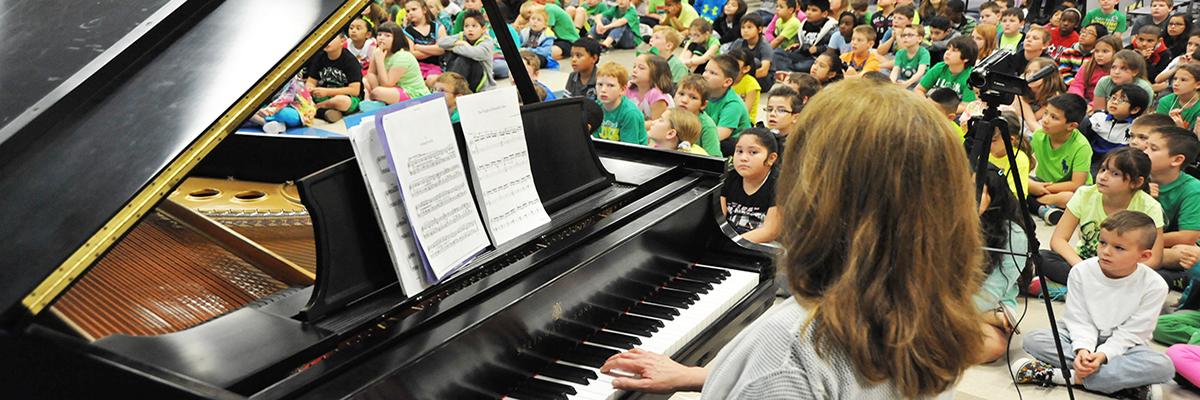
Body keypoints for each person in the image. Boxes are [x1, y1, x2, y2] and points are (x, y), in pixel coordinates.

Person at [598, 78, 986, 399]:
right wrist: (707, 377)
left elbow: (786, 375)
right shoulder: (923, 313)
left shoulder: (790, 349)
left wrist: (749, 378)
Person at [1016, 210, 1174, 398]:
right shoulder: (1081, 272)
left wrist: (1103, 355)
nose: (1106, 251)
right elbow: (1079, 319)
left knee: (1164, 366)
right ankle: (1122, 384)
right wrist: (1084, 350)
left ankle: (1067, 377)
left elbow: (1134, 332)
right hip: (1077, 336)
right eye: (1103, 242)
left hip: (1126, 346)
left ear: (1144, 256)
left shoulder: (1155, 286)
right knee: (1034, 339)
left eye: (1119, 248)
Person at [1037, 147, 1166, 290]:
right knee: (1041, 257)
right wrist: (1082, 267)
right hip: (1085, 262)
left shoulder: (1149, 206)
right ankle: (1093, 287)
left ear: (1136, 182)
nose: (1103, 177)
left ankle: (1073, 289)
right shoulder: (1085, 194)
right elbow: (1058, 240)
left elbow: (1154, 258)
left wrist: (1117, 272)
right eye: (1103, 169)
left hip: (1124, 269)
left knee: (1157, 281)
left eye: (1115, 173)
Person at [974, 162, 1030, 364]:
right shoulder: (947, 220)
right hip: (944, 303)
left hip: (990, 303)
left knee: (993, 345)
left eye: (976, 192)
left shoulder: (1014, 235)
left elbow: (992, 291)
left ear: (994, 197)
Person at [1137, 126, 1200, 279]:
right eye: (1146, 147)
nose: (1144, 152)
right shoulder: (1135, 177)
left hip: (1161, 245)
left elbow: (1188, 236)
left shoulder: (1193, 188)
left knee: (1186, 253)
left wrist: (1140, 241)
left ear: (1177, 160)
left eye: (1153, 149)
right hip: (1134, 242)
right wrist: (1141, 195)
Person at [1027, 93, 1092, 222]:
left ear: (1071, 126)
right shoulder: (1039, 136)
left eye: (1054, 117)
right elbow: (1019, 162)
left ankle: (1035, 202)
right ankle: (1043, 208)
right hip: (1042, 181)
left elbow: (1076, 183)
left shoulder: (1081, 146)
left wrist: (1039, 189)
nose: (1045, 120)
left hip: (1069, 189)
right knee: (1008, 181)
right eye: (1045, 113)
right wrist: (1031, 184)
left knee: (1069, 198)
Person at [718, 128, 781, 243]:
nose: (743, 158)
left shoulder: (779, 184)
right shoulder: (729, 178)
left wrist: (732, 243)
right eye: (739, 151)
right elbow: (719, 218)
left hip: (764, 248)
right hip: (730, 242)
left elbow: (770, 231)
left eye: (753, 152)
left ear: (771, 158)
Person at [1083, 84, 1150, 173]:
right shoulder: (1098, 117)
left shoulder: (1135, 128)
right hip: (1089, 156)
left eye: (1122, 100)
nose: (1114, 102)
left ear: (1135, 109)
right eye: (1113, 98)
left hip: (1115, 164)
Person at [367, 22, 431, 105]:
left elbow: (387, 84)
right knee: (365, 83)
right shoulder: (378, 52)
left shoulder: (403, 56)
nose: (381, 38)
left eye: (387, 35)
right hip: (391, 89)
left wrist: (379, 61)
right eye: (379, 35)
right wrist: (376, 88)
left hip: (412, 93)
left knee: (378, 92)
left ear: (397, 39)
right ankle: (375, 102)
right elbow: (371, 73)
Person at [307, 33, 364, 123]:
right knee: (300, 96)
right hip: (322, 95)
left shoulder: (350, 60)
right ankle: (328, 112)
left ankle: (318, 109)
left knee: (341, 101)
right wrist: (310, 89)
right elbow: (311, 81)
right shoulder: (319, 57)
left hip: (345, 97)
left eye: (331, 38)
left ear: (342, 41)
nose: (327, 42)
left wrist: (327, 92)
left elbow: (355, 90)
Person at [704, 54, 753, 156]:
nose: (705, 75)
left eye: (712, 73)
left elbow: (720, 134)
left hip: (732, 143)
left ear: (727, 82)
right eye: (705, 70)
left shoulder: (733, 104)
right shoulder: (703, 93)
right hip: (708, 133)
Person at [437, 10, 496, 92]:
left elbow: (473, 53)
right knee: (452, 55)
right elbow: (441, 42)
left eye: (474, 26)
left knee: (465, 58)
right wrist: (456, 42)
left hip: (481, 82)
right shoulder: (463, 36)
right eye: (466, 26)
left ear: (483, 29)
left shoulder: (487, 42)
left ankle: (450, 88)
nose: (470, 29)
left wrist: (454, 47)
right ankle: (451, 87)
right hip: (464, 77)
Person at [772, 0, 835, 73]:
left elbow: (834, 50)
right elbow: (802, 43)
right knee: (777, 53)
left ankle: (789, 74)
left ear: (824, 14)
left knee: (799, 66)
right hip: (802, 55)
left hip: (816, 59)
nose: (809, 12)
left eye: (814, 10)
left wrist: (818, 49)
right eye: (808, 9)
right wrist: (798, 45)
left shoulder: (832, 28)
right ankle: (789, 73)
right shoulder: (804, 24)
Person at [594, 62, 649, 144]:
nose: (603, 90)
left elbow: (628, 149)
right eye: (600, 84)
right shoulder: (596, 107)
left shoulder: (630, 113)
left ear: (623, 89)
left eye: (610, 85)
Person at [916, 36, 978, 103]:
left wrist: (939, 108)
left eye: (954, 50)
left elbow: (966, 105)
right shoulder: (939, 67)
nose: (947, 53)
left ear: (966, 58)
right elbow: (919, 89)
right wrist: (927, 104)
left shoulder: (971, 76)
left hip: (955, 112)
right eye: (948, 49)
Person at [1013, 57, 1068, 133]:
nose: (1030, 75)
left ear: (1048, 76)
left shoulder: (1056, 98)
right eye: (1028, 72)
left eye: (1036, 72)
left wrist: (1022, 105)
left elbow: (1032, 120)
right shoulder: (1021, 94)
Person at [674, 74, 722, 155]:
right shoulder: (669, 116)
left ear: (703, 105)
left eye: (693, 97)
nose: (684, 100)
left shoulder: (707, 127)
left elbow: (714, 159)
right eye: (681, 94)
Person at [1067, 34, 1120, 105]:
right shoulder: (1088, 66)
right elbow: (1077, 84)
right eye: (1097, 51)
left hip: (1104, 104)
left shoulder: (1117, 72)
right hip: (1083, 100)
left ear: (1116, 52)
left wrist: (1092, 105)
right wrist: (1078, 99)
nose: (1099, 55)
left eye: (1105, 51)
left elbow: (1111, 96)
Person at [727, 16, 774, 88]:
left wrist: (740, 78)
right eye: (743, 27)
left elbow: (763, 71)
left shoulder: (765, 46)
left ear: (759, 29)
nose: (745, 31)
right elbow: (727, 60)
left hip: (762, 80)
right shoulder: (738, 42)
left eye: (749, 27)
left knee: (755, 62)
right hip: (742, 75)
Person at [404, 0, 447, 80]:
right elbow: (412, 54)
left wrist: (419, 47)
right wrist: (434, 49)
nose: (410, 13)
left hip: (437, 66)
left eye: (414, 9)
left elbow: (442, 49)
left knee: (432, 79)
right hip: (417, 67)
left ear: (424, 10)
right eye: (408, 11)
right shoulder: (407, 31)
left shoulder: (439, 27)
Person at [627, 54, 676, 122]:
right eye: (634, 66)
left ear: (656, 73)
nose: (635, 70)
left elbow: (656, 124)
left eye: (641, 68)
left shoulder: (657, 94)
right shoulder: (629, 88)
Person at [1157, 64, 1200, 129]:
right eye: (1175, 79)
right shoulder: (1165, 101)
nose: (1176, 83)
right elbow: (1158, 129)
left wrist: (1180, 128)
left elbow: (1195, 138)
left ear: (1198, 85)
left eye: (1183, 80)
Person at [729, 48, 762, 123]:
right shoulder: (725, 80)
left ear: (746, 68)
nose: (729, 66)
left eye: (734, 64)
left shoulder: (751, 83)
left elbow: (745, 111)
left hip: (745, 122)